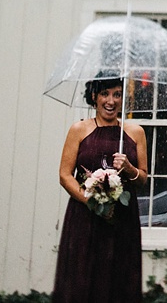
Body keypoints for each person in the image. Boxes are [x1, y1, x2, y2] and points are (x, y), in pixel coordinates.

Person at [52, 73, 148, 303]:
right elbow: (65, 175)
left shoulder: (135, 133)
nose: (111, 101)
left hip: (122, 219)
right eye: (105, 94)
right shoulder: (79, 129)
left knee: (119, 280)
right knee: (82, 277)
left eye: (117, 94)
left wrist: (128, 168)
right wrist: (91, 203)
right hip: (85, 218)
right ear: (94, 96)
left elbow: (143, 179)